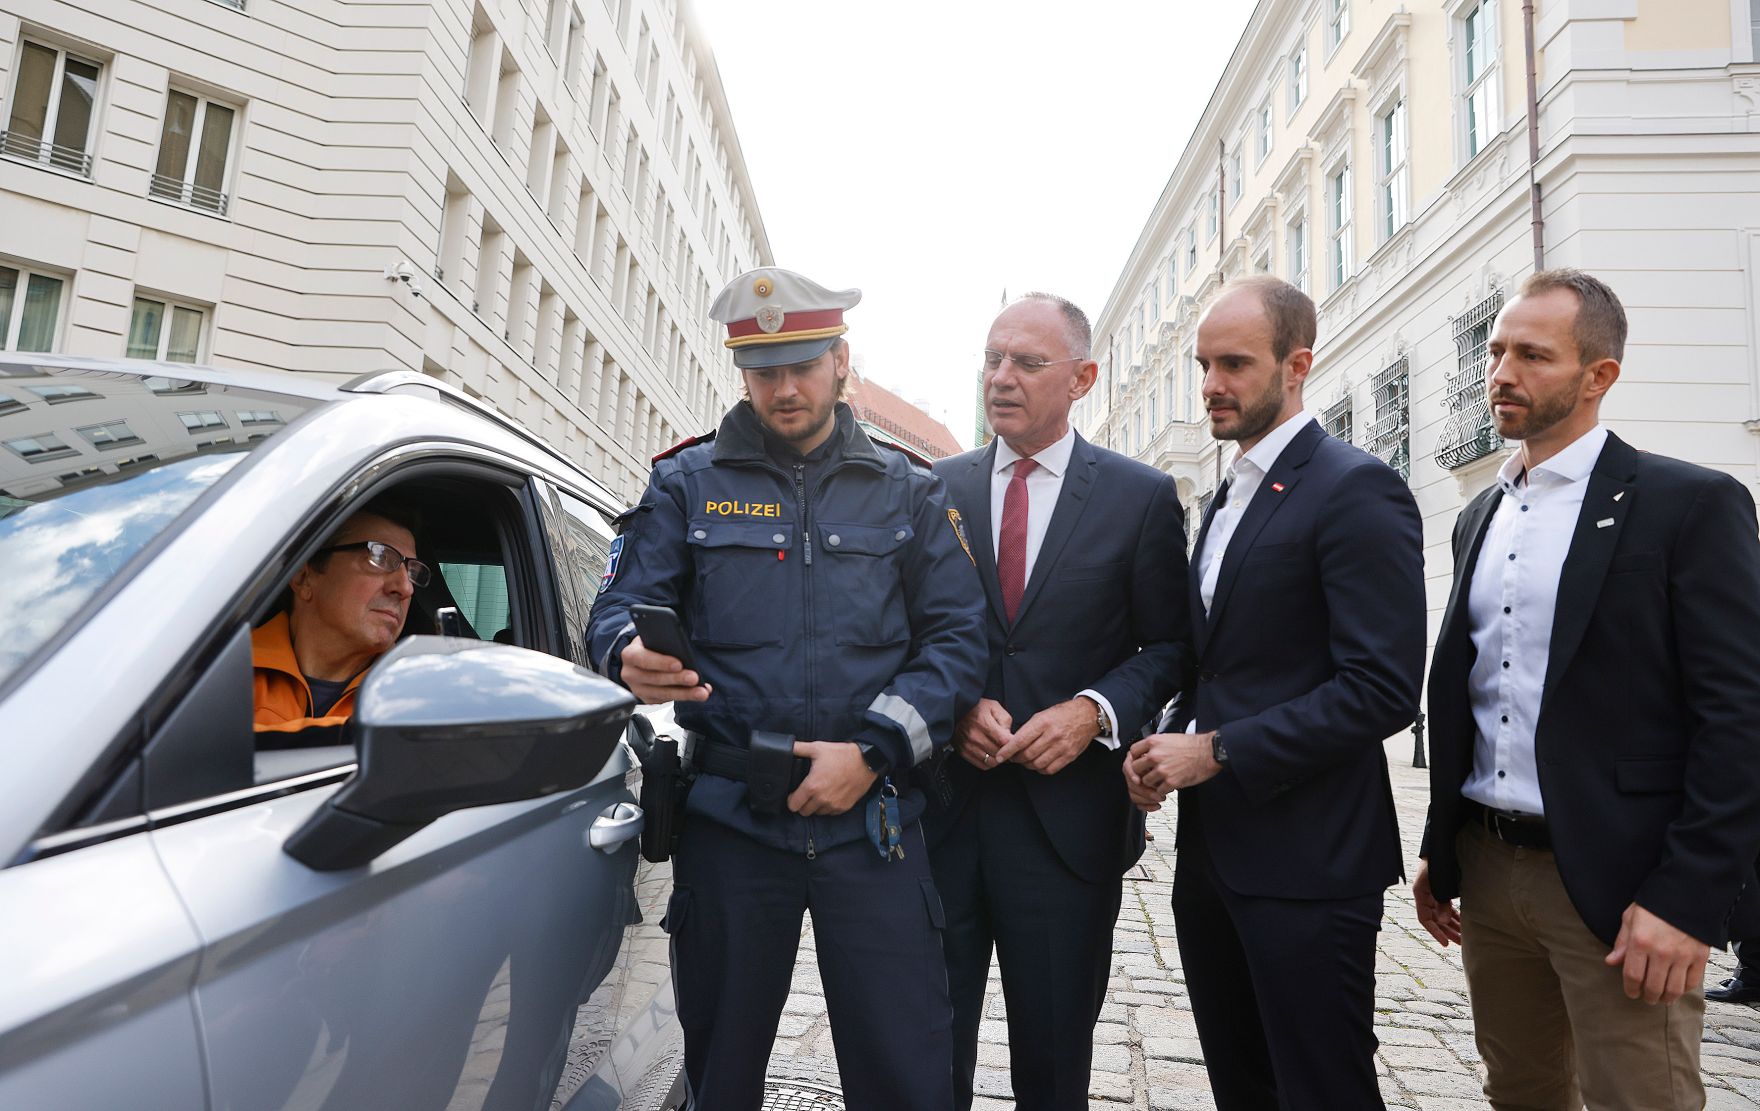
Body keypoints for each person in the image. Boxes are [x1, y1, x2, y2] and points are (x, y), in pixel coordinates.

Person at [585, 266, 988, 1111]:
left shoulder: (909, 491)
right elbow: (615, 606)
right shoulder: (686, 482)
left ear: (843, 361)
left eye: (802, 365)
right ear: (742, 371)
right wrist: (626, 650)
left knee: (906, 1081)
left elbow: (958, 643)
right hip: (732, 824)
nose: (784, 387)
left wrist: (872, 752)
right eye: (763, 370)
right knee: (718, 1078)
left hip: (873, 826)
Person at [1412, 269, 1760, 1110]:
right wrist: (1442, 842)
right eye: (1496, 351)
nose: (1501, 372)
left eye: (1533, 354)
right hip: (1491, 875)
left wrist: (1686, 898)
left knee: (1642, 1100)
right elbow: (1477, 685)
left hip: (1620, 885)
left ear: (1598, 375)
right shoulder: (1480, 515)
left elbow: (1739, 716)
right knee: (1521, 1092)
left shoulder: (1689, 505)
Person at [1126, 275, 1425, 1110]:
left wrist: (1216, 750)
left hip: (1313, 865)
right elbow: (1220, 661)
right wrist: (1165, 740)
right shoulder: (1225, 496)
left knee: (1322, 1088)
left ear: (1297, 365)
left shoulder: (1355, 487)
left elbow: (1383, 687)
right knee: (1243, 1085)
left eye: (1234, 364)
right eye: (1204, 365)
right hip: (1214, 861)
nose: (1212, 384)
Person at [924, 293, 1190, 1110]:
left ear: (1082, 378)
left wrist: (1092, 710)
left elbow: (1171, 646)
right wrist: (955, 706)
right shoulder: (931, 489)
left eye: (1027, 363)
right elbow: (901, 634)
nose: (1001, 379)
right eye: (992, 359)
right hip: (943, 819)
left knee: (1054, 1062)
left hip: (1066, 830)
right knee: (927, 1055)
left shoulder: (1139, 498)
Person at [253, 498, 428, 743]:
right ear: (304, 577)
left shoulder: (416, 698)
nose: (405, 588)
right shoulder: (217, 673)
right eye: (381, 557)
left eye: (412, 571)